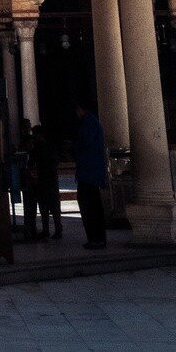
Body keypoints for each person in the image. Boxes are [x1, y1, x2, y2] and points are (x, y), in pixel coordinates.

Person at [73, 102, 107, 248]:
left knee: (89, 205)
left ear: (80, 109)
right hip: (92, 171)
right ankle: (98, 239)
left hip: (88, 171)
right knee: (94, 205)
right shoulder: (94, 121)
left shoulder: (88, 122)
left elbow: (85, 142)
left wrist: (73, 147)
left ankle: (95, 239)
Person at [32, 124, 62, 240]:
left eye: (35, 135)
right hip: (42, 180)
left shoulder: (49, 147)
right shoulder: (38, 148)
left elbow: (54, 162)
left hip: (50, 180)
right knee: (43, 206)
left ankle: (58, 229)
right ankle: (46, 230)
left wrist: (45, 172)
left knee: (53, 206)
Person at [19, 118, 38, 240]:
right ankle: (29, 228)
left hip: (33, 179)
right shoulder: (22, 143)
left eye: (29, 126)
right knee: (28, 205)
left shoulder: (33, 142)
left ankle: (33, 227)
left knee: (33, 205)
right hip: (26, 179)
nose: (28, 129)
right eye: (25, 126)